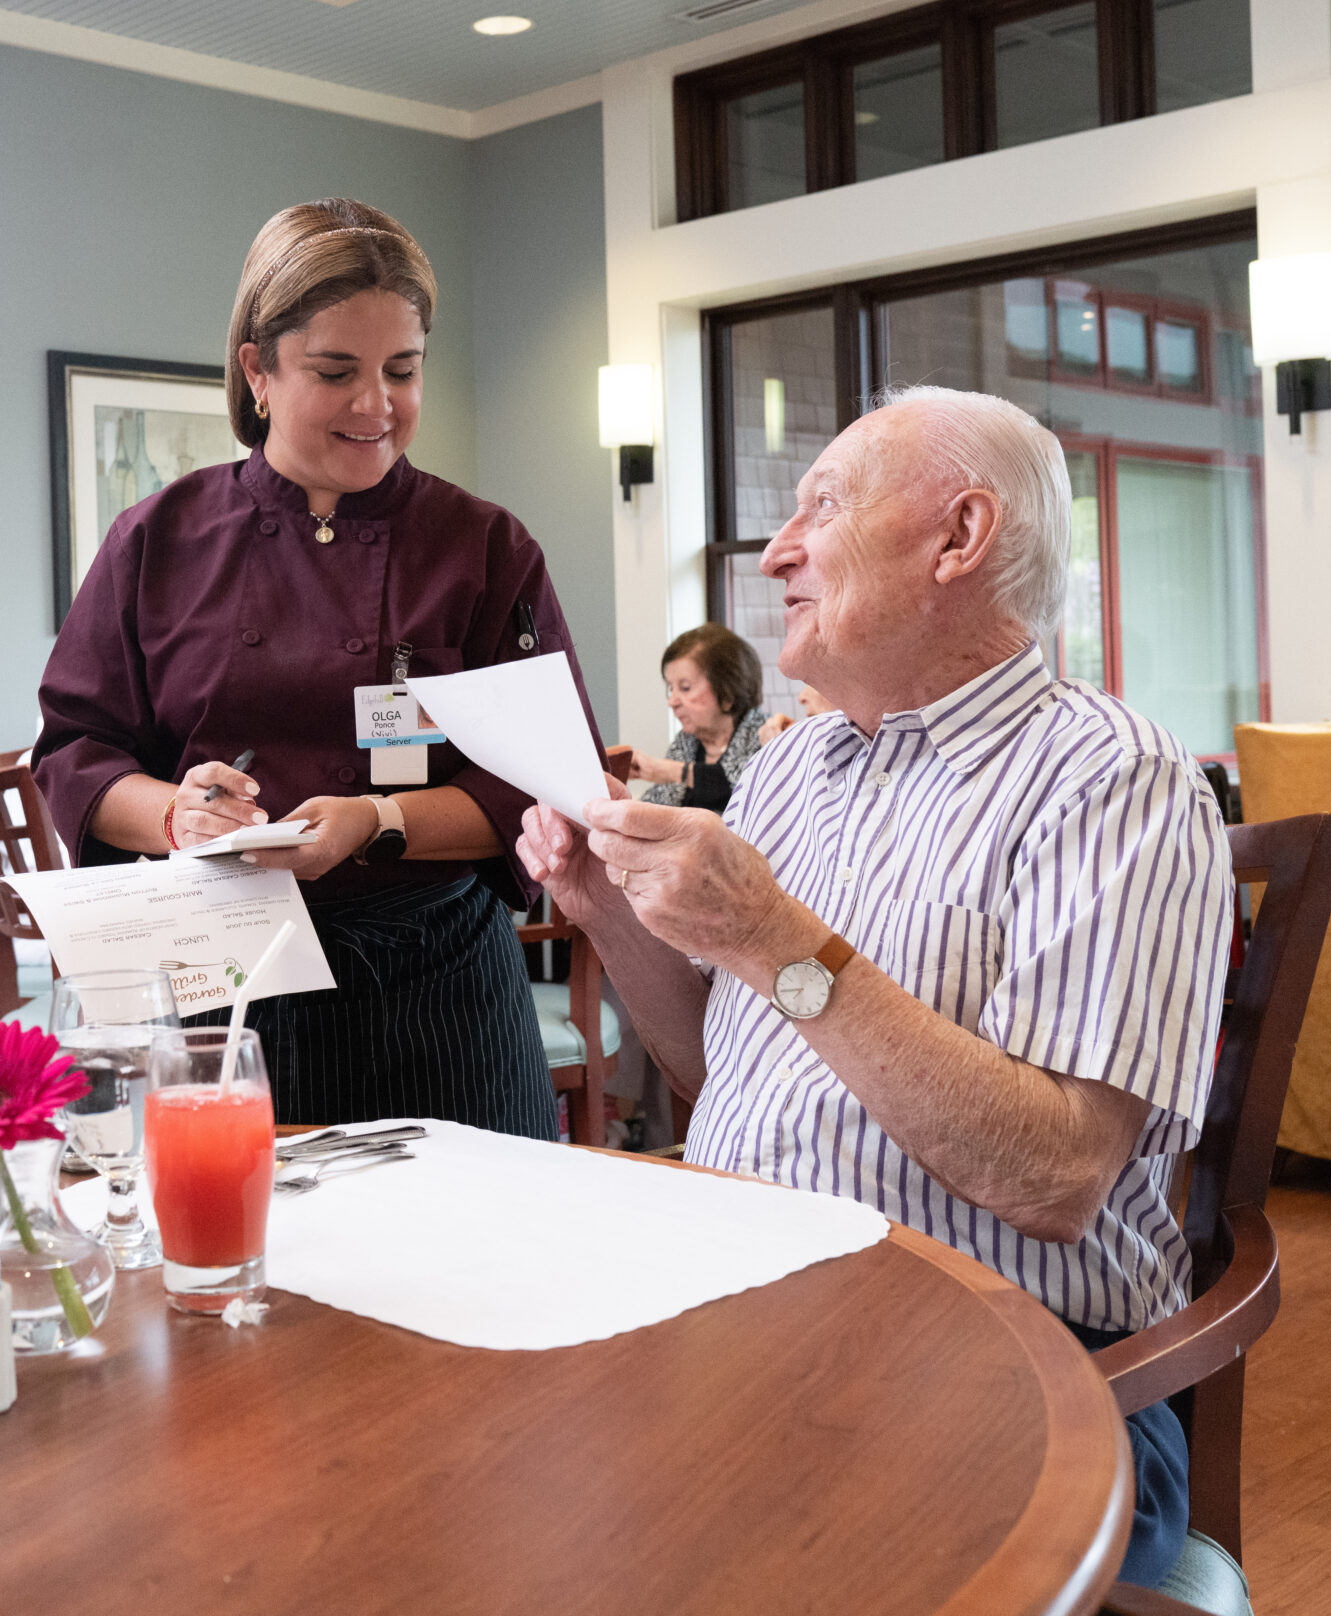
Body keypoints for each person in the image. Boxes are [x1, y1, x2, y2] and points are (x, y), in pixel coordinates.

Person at [516, 386, 1230, 1589]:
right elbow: (722, 1066)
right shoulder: (792, 771)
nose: (776, 551)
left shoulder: (1112, 779)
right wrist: (603, 910)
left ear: (959, 537)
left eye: (821, 507)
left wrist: (776, 937)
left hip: (1017, 1373)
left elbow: (1053, 1177)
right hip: (747, 1324)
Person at [34, 198, 600, 1141]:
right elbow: (77, 749)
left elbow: (540, 781)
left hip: (438, 986)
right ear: (258, 369)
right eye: (336, 371)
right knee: (247, 1259)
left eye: (402, 370)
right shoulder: (159, 538)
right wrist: (177, 812)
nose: (376, 404)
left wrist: (375, 822)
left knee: (478, 1259)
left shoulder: (485, 545)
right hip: (222, 984)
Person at [633, 623, 772, 812]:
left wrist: (668, 771)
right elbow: (656, 807)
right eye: (670, 688)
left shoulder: (767, 736)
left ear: (728, 692)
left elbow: (739, 790)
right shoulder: (686, 742)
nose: (672, 701)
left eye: (685, 688)